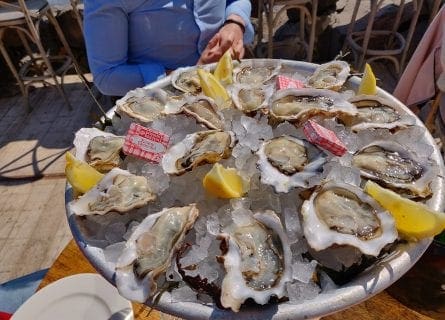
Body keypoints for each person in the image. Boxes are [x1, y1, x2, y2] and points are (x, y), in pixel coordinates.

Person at [83, 0, 254, 96]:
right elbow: (107, 77)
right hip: (161, 99)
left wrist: (235, 22)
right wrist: (186, 78)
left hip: (232, 84)